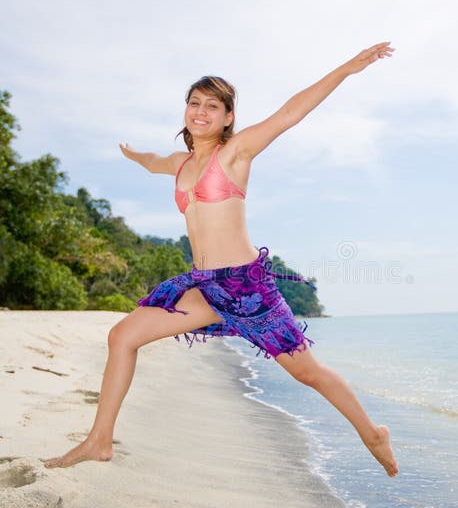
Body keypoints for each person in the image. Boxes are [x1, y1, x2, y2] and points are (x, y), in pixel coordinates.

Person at [44, 42, 398, 477]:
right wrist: (133, 154)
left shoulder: (236, 153)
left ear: (228, 117)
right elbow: (154, 161)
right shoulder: (179, 164)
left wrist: (348, 68)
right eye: (195, 103)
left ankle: (371, 432)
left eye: (213, 106)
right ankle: (99, 441)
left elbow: (290, 113)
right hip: (205, 286)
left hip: (246, 288)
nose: (201, 111)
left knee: (307, 373)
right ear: (186, 110)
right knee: (123, 337)